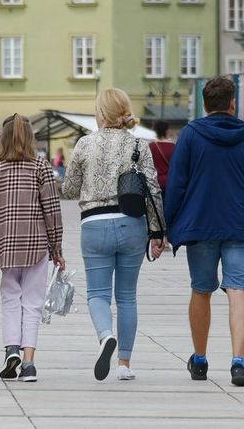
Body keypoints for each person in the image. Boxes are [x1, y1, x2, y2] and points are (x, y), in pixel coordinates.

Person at [164, 75, 244, 389]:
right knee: (238, 289)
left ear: (204, 104)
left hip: (200, 224)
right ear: (232, 103)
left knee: (201, 290)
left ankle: (199, 359)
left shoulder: (190, 135)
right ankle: (238, 361)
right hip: (241, 224)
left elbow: (176, 184)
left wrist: (167, 225)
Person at [62, 88, 165, 382]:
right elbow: (153, 191)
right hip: (132, 224)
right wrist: (158, 233)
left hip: (94, 225)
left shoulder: (84, 144)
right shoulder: (138, 145)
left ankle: (106, 335)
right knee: (127, 297)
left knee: (97, 294)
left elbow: (68, 189)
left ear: (100, 112)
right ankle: (124, 364)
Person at [0, 114, 64, 384]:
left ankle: (11, 348)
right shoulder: (40, 166)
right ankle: (28, 363)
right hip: (35, 244)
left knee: (10, 299)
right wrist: (56, 247)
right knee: (33, 303)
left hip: (4, 245)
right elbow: (52, 210)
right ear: (30, 137)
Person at [148, 120, 175, 194]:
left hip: (154, 182)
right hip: (170, 182)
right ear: (166, 131)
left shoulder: (150, 146)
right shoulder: (173, 146)